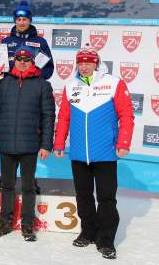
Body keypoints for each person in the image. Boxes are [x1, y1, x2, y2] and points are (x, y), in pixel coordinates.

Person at [53, 46, 134, 260]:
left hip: (106, 152)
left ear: (96, 63)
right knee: (84, 196)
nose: (85, 65)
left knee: (106, 198)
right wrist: (59, 143)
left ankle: (106, 240)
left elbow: (126, 115)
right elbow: (64, 118)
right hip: (79, 154)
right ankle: (88, 232)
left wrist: (124, 142)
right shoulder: (71, 87)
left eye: (89, 62)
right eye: (81, 62)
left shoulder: (113, 83)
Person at [0, 46, 55, 241]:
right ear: (14, 60)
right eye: (19, 59)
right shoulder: (4, 83)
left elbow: (48, 117)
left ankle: (27, 225)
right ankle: (4, 222)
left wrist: (46, 144)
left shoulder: (42, 84)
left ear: (32, 61)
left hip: (30, 145)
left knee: (28, 186)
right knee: (7, 185)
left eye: (26, 60)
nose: (23, 63)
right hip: (7, 144)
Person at [1, 0, 54, 80]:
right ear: (15, 21)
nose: (21, 23)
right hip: (10, 85)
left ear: (30, 21)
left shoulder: (40, 42)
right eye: (19, 20)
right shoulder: (6, 41)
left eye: (24, 19)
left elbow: (49, 68)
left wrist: (36, 76)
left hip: (33, 87)